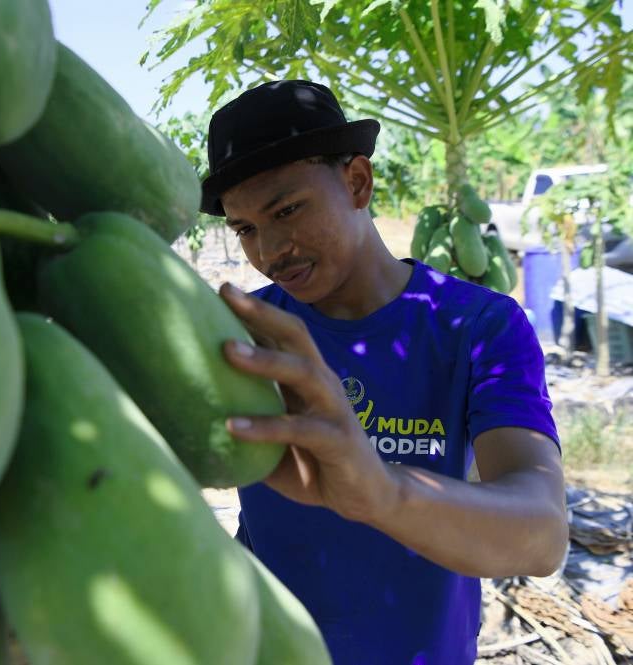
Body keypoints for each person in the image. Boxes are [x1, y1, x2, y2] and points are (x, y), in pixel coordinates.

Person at [205, 80, 568, 665]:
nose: (271, 249)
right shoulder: (246, 334)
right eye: (245, 228)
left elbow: (544, 533)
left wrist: (382, 492)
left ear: (357, 182)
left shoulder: (477, 327)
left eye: (287, 210)